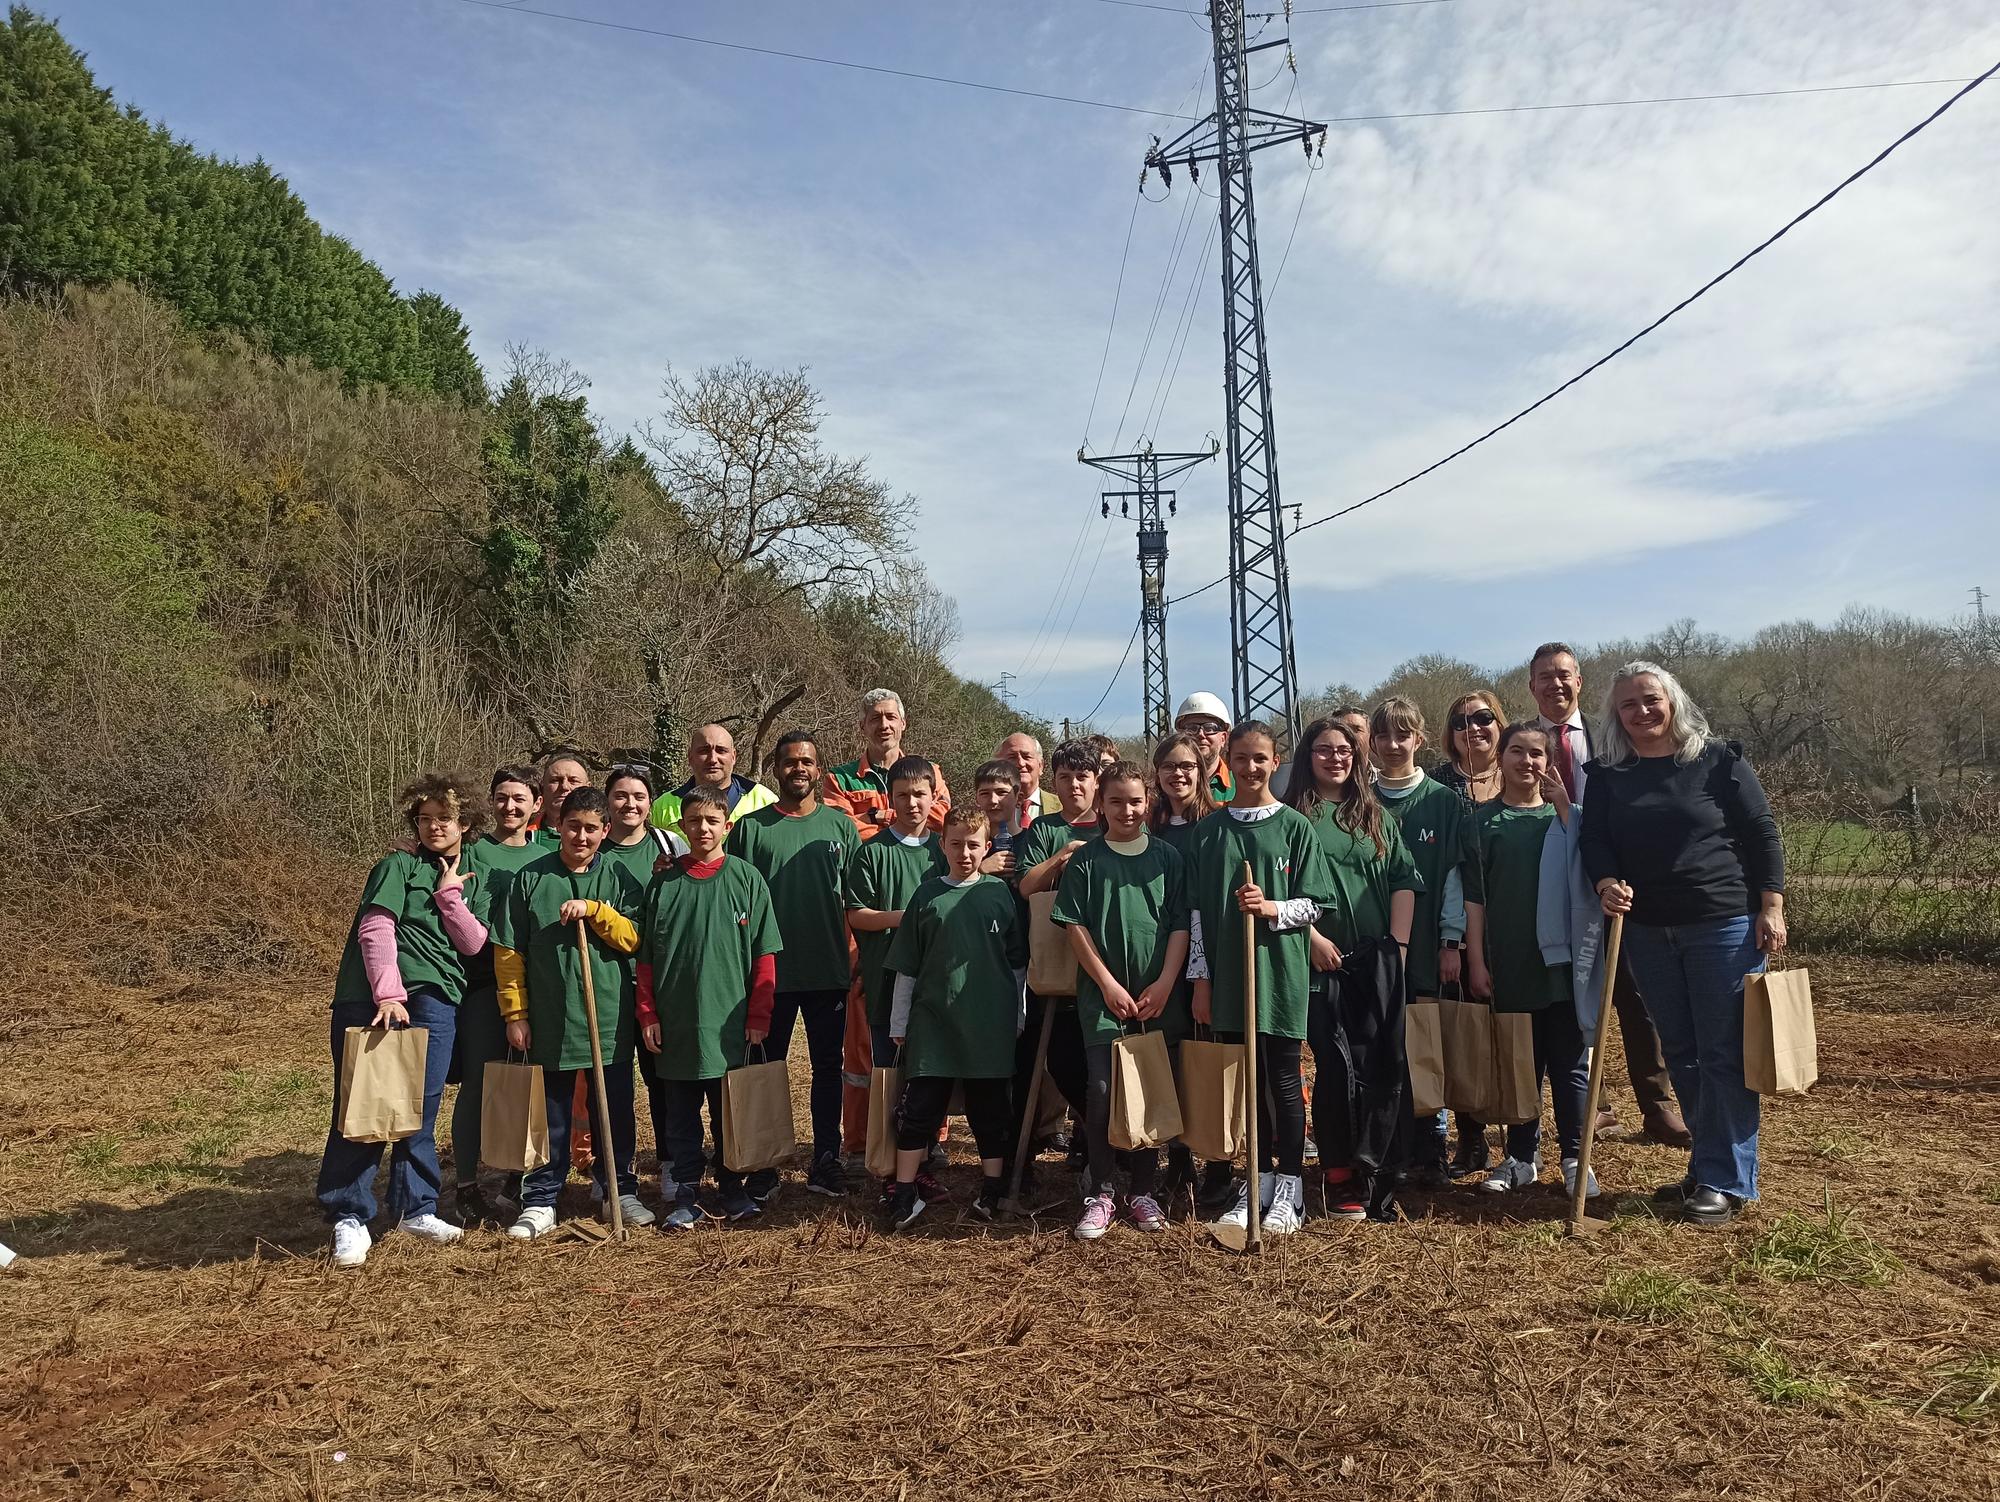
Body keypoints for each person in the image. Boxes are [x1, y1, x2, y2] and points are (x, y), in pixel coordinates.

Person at [1580, 662, 1786, 1227]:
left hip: (1722, 923)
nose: (1642, 712)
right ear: (1614, 716)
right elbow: (1595, 838)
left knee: (1724, 1053)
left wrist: (1772, 906)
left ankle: (1725, 1179)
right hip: (1646, 928)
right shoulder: (1608, 774)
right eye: (1629, 705)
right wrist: (1605, 880)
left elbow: (1761, 831)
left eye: (1651, 700)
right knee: (1683, 1051)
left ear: (1672, 701)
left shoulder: (1719, 761)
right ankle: (1708, 1164)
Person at [320, 773, 491, 1268]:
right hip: (375, 999)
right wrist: (389, 994)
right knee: (366, 1103)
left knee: (421, 1103)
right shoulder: (397, 865)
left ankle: (416, 1207)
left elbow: (475, 944)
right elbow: (376, 928)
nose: (435, 826)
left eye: (445, 818)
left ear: (466, 823)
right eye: (425, 818)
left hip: (437, 996)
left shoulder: (469, 874)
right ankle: (348, 1214)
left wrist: (449, 896)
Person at [1526, 642, 1689, 1149]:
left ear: (1579, 682)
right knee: (1575, 1000)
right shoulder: (1524, 743)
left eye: (1565, 675)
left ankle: (1659, 1107)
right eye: (1545, 677)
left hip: (1621, 883)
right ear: (1531, 687)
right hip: (1557, 888)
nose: (1555, 684)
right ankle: (1590, 1105)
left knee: (1639, 1000)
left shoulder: (1614, 736)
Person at [1185, 721, 1335, 1236]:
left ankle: (1290, 1185)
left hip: (1279, 977)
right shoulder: (1210, 831)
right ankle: (1259, 1178)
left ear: (1276, 762)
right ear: (1229, 758)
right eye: (1242, 758)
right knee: (1248, 1084)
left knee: (1284, 1081)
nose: (1251, 768)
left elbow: (1317, 902)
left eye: (1261, 759)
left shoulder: (1295, 826)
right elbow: (1197, 915)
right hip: (1229, 978)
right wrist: (1200, 980)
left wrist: (1270, 907)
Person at [494, 786, 654, 1238]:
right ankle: (542, 1196)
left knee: (615, 1108)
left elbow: (634, 940)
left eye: (590, 829)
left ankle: (618, 1188)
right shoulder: (530, 879)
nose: (580, 836)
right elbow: (509, 952)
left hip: (608, 1016)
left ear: (605, 831)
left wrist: (596, 911)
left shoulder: (620, 878)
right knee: (553, 1111)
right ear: (557, 827)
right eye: (572, 827)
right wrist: (515, 1013)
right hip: (551, 1016)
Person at [1283, 717, 1419, 1219]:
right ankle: (1338, 1174)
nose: (1336, 758)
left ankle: (1377, 1170)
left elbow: (1405, 879)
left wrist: (1399, 948)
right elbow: (1279, 896)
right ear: (1307, 757)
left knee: (1379, 1067)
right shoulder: (1292, 816)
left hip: (1375, 962)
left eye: (1344, 750)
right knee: (1335, 1069)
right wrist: (1311, 938)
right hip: (1317, 962)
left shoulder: (1375, 815)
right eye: (1324, 749)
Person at [1052, 761, 1190, 1238]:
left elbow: (1178, 925)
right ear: (1101, 805)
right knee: (1103, 1091)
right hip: (1104, 1001)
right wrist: (1108, 984)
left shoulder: (1169, 858)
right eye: (1116, 801)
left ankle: (1144, 1191)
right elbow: (1075, 927)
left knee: (1149, 1088)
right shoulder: (1086, 862)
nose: (1127, 810)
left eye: (1135, 801)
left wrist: (1166, 982)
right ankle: (1102, 1191)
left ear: (1147, 800)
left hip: (1156, 1000)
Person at [638, 784, 784, 1228]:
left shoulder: (746, 879)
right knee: (680, 1117)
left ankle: (732, 1187)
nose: (703, 828)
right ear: (681, 825)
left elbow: (764, 956)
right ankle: (684, 1192)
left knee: (729, 1114)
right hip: (678, 1024)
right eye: (694, 820)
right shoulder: (663, 884)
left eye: (711, 820)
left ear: (728, 825)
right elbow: (645, 961)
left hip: (730, 1024)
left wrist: (759, 1015)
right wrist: (648, 1014)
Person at [726, 731, 860, 1200]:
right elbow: (732, 898)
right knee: (765, 1068)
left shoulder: (841, 827)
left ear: (818, 769)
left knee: (828, 1067)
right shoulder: (750, 828)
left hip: (828, 970)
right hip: (768, 975)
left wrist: (857, 955)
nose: (798, 768)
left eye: (807, 761)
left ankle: (826, 1159)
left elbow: (857, 900)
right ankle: (765, 1165)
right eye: (789, 762)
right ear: (775, 770)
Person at [1462, 724, 1592, 1197]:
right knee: (1521, 1064)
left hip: (1563, 967)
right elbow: (1473, 901)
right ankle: (1521, 1157)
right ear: (1501, 757)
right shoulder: (1482, 823)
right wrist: (1476, 960)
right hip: (1510, 961)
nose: (1527, 761)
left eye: (1536, 753)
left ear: (1548, 762)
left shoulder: (1569, 818)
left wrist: (1565, 812)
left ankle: (1577, 1158)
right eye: (1517, 751)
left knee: (1569, 1065)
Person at [882, 807, 1027, 1230]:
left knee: (990, 1109)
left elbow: (1017, 966)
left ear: (987, 847)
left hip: (989, 1023)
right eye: (957, 844)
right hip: (933, 1022)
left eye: (974, 845)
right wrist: (898, 1023)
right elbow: (907, 966)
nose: (965, 853)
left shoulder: (999, 895)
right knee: (921, 1107)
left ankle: (992, 1189)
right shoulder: (927, 896)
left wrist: (1017, 1016)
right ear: (942, 844)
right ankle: (904, 1191)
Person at [827, 689, 952, 1159]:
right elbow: (849, 831)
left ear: (903, 723)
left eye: (891, 717)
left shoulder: (930, 772)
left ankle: (931, 1140)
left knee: (928, 1047)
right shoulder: (840, 778)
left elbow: (946, 819)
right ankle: (865, 1142)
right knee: (869, 1047)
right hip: (872, 951)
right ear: (862, 725)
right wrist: (883, 818)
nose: (883, 725)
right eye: (874, 718)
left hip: (929, 956)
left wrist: (875, 812)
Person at [1369, 699, 1476, 1187]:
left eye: (1403, 735)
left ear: (1420, 739)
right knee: (1380, 1043)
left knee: (1425, 1040)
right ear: (1371, 741)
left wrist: (1452, 940)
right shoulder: (1361, 801)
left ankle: (1432, 1143)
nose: (1393, 746)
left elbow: (1454, 876)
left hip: (1430, 944)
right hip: (1372, 949)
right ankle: (1388, 1143)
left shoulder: (1442, 801)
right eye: (1384, 736)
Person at [450, 764, 542, 1225]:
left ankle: (519, 1177)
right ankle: (466, 1183)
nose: (510, 806)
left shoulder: (549, 852)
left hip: (541, 988)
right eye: (502, 797)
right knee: (478, 1083)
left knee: (529, 1084)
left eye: (519, 798)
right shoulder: (471, 854)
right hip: (484, 985)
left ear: (536, 805)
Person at [1013, 740, 1105, 1171]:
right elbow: (1027, 886)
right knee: (1060, 1060)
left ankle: (1100, 1144)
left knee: (1101, 1057)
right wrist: (1063, 856)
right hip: (1054, 963)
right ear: (1054, 782)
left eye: (1082, 777)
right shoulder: (1044, 829)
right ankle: (1091, 1128)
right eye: (1065, 778)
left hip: (1107, 961)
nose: (1074, 785)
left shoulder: (1112, 823)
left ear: (1096, 780)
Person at [1149, 731, 1226, 1210]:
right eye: (1169, 767)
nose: (1179, 775)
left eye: (1188, 766)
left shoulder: (1217, 825)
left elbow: (1202, 907)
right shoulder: (1148, 826)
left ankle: (1219, 1164)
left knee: (1211, 1062)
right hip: (1162, 966)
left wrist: (1203, 976)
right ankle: (1178, 1161)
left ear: (1201, 771)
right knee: (1174, 1061)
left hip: (1208, 963)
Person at [649, 724, 776, 830]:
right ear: (690, 757)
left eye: (721, 750)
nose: (712, 759)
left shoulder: (765, 801)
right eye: (704, 751)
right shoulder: (663, 806)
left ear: (733, 756)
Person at [1434, 692, 1505, 808]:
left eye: (1483, 718)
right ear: (1451, 734)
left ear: (1499, 726)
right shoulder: (1436, 782)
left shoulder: (1521, 773)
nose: (1473, 727)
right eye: (1461, 722)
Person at [1174, 691, 1234, 803]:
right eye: (1191, 728)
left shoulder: (1241, 785)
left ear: (1223, 738)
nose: (1201, 734)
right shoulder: (1166, 787)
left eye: (1210, 728)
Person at [997, 732, 1060, 832]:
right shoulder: (990, 810)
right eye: (1012, 757)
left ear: (1041, 765)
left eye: (1027, 757)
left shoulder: (1062, 807)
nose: (1021, 763)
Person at [971, 759, 1024, 876]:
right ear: (977, 799)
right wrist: (980, 871)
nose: (993, 801)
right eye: (985, 793)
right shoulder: (968, 844)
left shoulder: (1032, 842)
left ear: (1019, 799)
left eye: (1001, 792)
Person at [532, 752, 591, 840]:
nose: (564, 787)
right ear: (542, 787)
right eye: (555, 780)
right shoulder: (524, 835)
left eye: (573, 781)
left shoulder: (604, 838)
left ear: (588, 788)